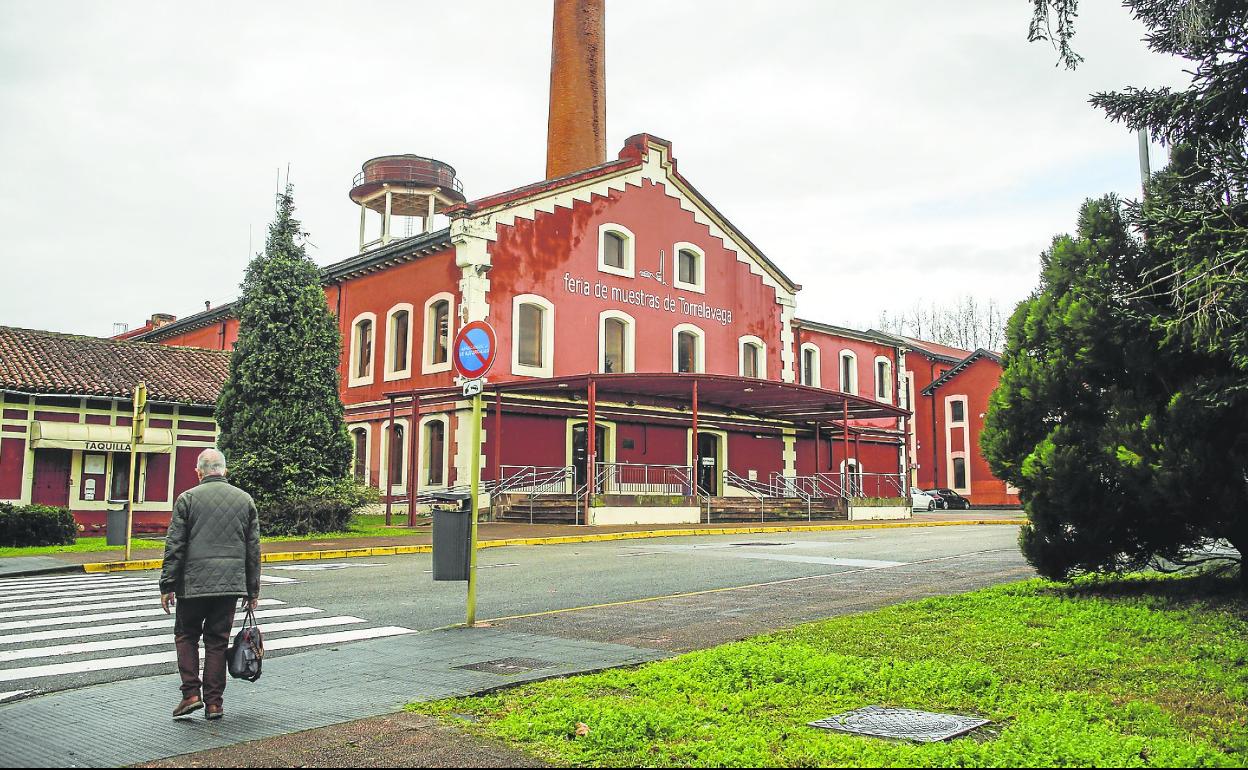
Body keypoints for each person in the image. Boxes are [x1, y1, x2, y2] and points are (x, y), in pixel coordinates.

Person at [159, 448, 260, 720]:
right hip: (229, 586)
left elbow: (175, 545)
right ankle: (215, 704)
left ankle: (191, 694)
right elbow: (253, 549)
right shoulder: (245, 500)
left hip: (193, 585)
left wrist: (167, 585)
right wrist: (252, 590)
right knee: (217, 642)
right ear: (224, 470)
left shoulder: (187, 499)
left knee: (186, 635)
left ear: (199, 472)